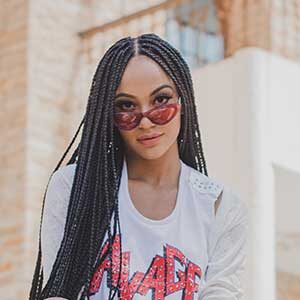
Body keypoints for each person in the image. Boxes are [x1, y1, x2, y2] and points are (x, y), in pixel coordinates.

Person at [29, 33, 248, 300]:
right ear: (109, 116)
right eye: (127, 106)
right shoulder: (72, 189)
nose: (145, 121)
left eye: (160, 101)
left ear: (182, 102)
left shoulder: (220, 207)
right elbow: (57, 293)